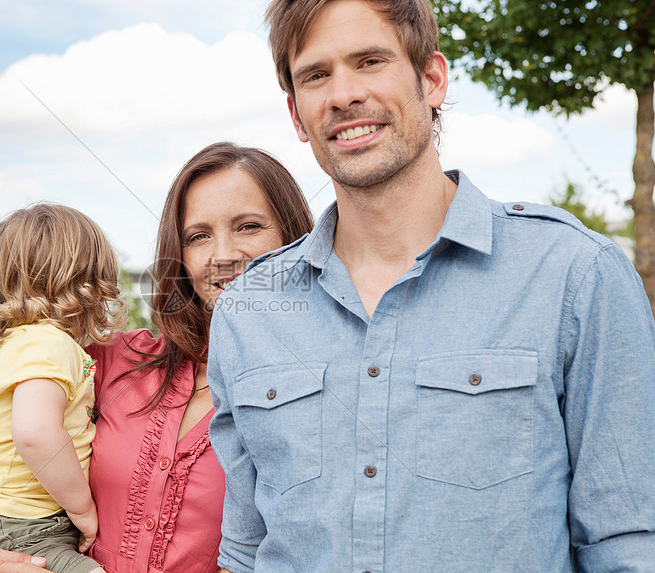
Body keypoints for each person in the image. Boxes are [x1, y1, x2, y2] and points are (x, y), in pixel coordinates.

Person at [207, 1, 655, 572]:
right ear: (297, 115)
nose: (343, 95)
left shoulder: (573, 274)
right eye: (316, 75)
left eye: (369, 61)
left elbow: (628, 545)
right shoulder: (249, 311)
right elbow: (245, 553)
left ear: (432, 79)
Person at [0, 142, 315, 573]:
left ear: (296, 238)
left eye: (248, 226)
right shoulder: (110, 361)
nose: (222, 255)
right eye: (198, 235)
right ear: (179, 254)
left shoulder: (323, 387)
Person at [0, 204, 125, 573]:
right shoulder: (51, 344)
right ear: (88, 281)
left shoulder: (7, 346)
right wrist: (83, 508)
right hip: (22, 523)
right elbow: (34, 432)